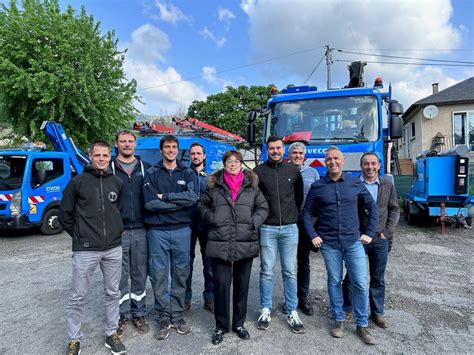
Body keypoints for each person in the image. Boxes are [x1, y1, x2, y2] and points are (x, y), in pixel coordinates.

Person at [303, 146, 378, 345]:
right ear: (325, 162)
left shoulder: (355, 183)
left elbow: (372, 207)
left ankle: (362, 325)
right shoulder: (318, 186)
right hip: (329, 244)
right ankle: (339, 320)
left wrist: (370, 233)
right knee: (334, 281)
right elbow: (306, 213)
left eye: (336, 158)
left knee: (360, 283)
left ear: (343, 161)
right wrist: (313, 234)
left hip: (353, 242)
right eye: (329, 159)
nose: (332, 162)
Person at [59, 140, 126, 355]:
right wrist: (80, 236)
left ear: (110, 157)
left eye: (105, 156)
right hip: (86, 249)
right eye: (97, 155)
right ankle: (73, 340)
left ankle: (111, 333)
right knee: (77, 296)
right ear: (90, 156)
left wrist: (115, 232)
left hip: (113, 248)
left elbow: (119, 212)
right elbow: (65, 215)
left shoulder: (117, 182)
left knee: (112, 293)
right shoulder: (77, 183)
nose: (101, 159)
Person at [198, 150, 269, 345]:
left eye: (236, 161)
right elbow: (201, 205)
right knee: (221, 286)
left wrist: (253, 223)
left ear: (241, 163)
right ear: (224, 164)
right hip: (220, 241)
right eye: (229, 161)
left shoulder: (251, 186)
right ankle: (221, 326)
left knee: (242, 286)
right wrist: (212, 218)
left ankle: (239, 324)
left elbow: (263, 207)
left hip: (244, 241)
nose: (233, 164)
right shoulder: (214, 186)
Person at [143, 135, 199, 341]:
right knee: (158, 275)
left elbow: (193, 197)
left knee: (180, 273)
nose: (171, 150)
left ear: (178, 150)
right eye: (167, 147)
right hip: (157, 232)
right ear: (161, 150)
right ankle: (163, 318)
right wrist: (178, 205)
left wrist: (165, 197)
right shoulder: (151, 173)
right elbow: (149, 203)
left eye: (174, 147)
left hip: (183, 230)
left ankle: (177, 316)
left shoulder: (187, 172)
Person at [253, 136, 305, 334]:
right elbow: (255, 199)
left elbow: (298, 196)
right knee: (266, 270)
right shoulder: (258, 172)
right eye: (271, 148)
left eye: (278, 148)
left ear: (283, 150)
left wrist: (293, 215)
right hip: (267, 228)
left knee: (290, 270)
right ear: (267, 150)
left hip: (290, 228)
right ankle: (265, 309)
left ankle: (292, 310)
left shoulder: (293, 170)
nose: (275, 151)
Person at [342, 152, 400, 329]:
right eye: (366, 164)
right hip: (357, 239)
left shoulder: (387, 184)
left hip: (379, 239)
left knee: (377, 277)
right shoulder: (353, 184)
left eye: (373, 163)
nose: (370, 167)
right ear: (361, 166)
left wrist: (387, 232)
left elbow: (394, 209)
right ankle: (347, 307)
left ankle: (377, 313)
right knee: (351, 276)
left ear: (379, 165)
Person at [111, 130, 151, 336]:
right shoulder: (108, 169)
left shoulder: (146, 169)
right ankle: (121, 315)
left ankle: (139, 313)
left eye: (130, 141)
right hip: (118, 232)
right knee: (119, 276)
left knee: (139, 274)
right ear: (116, 144)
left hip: (142, 230)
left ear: (135, 144)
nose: (127, 145)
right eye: (123, 141)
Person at [281, 142, 320, 316]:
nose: (297, 155)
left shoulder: (313, 173)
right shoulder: (282, 171)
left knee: (303, 263)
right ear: (289, 155)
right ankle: (289, 299)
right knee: (288, 264)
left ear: (304, 156)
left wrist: (315, 221)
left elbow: (319, 198)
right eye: (294, 152)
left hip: (305, 224)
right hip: (287, 222)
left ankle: (302, 298)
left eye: (300, 153)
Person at [185, 142, 214, 314]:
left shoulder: (211, 177)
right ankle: (185, 300)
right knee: (185, 264)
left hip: (206, 225)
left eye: (198, 153)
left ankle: (209, 299)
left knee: (209, 263)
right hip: (187, 224)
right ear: (190, 156)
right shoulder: (183, 174)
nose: (195, 156)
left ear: (204, 156)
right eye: (193, 153)